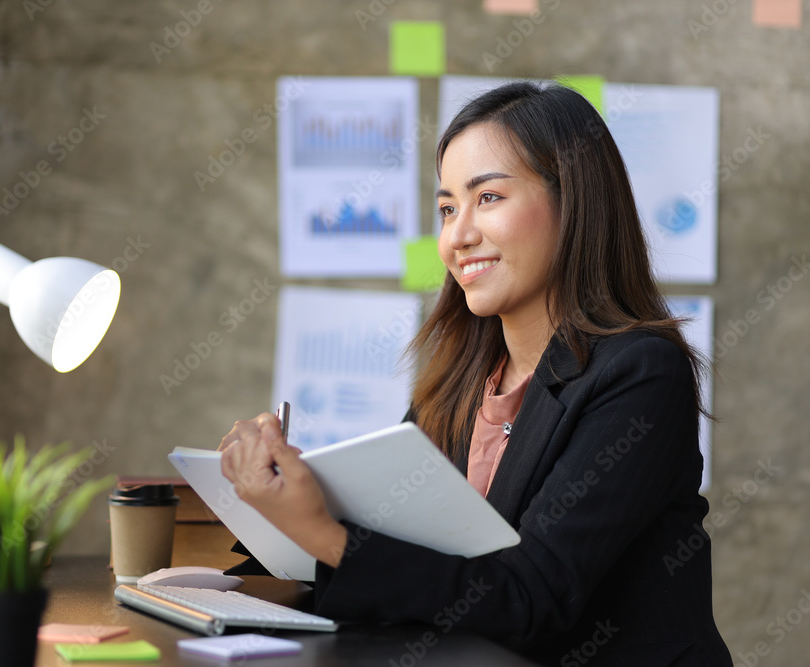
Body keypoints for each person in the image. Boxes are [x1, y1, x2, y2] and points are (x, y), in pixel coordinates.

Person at [219, 82, 731, 665]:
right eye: (446, 209)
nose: (457, 236)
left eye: (487, 198)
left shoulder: (640, 372)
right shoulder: (463, 378)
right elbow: (409, 555)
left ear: (575, 201)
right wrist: (282, 503)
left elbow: (533, 596)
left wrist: (325, 534)